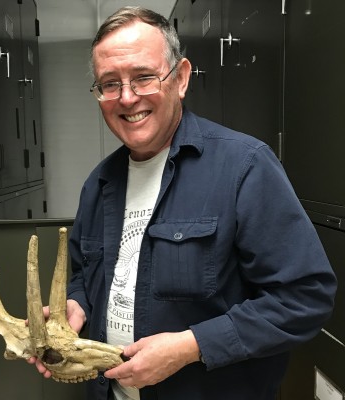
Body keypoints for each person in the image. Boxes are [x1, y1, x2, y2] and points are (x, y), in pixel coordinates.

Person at [30, 6, 337, 400]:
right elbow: (86, 273)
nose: (127, 98)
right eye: (110, 84)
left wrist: (189, 347)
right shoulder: (99, 183)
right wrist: (76, 308)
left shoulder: (244, 167)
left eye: (143, 77)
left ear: (181, 78)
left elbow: (304, 296)